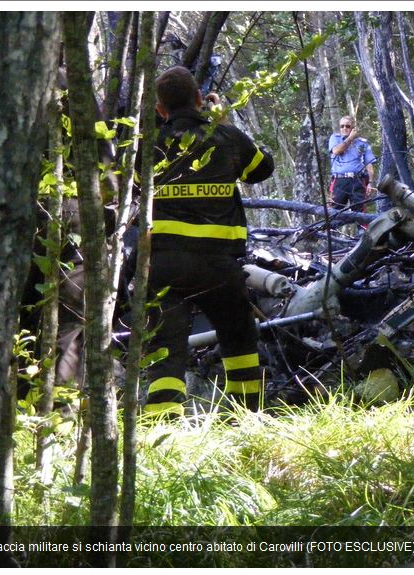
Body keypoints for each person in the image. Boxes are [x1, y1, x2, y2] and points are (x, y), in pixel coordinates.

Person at [142, 66, 274, 417]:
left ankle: (162, 431)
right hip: (218, 265)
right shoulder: (226, 137)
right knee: (239, 336)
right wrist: (223, 121)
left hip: (163, 266)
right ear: (200, 100)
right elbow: (262, 170)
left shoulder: (148, 145)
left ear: (160, 109)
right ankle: (247, 419)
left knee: (165, 348)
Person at [328, 115, 377, 213]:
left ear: (353, 128)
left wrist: (370, 183)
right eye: (342, 126)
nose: (344, 128)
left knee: (360, 211)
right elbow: (337, 151)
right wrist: (350, 138)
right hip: (339, 180)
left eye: (347, 126)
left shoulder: (362, 143)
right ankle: (332, 228)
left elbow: (369, 164)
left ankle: (362, 228)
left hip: (358, 180)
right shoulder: (335, 138)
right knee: (334, 211)